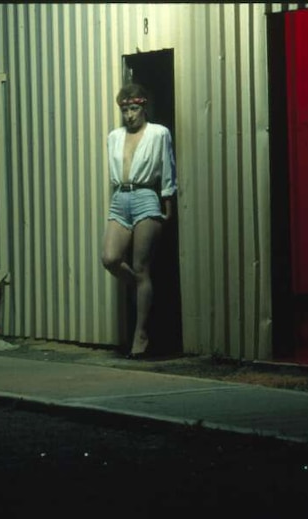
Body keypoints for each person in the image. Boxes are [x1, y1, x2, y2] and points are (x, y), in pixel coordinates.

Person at [101, 83, 177, 359]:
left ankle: (140, 334)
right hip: (121, 197)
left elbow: (168, 167)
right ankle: (140, 289)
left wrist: (167, 201)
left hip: (146, 195)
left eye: (133, 108)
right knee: (110, 258)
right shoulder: (114, 136)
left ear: (143, 107)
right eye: (124, 110)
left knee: (141, 267)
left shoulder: (158, 133)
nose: (129, 115)